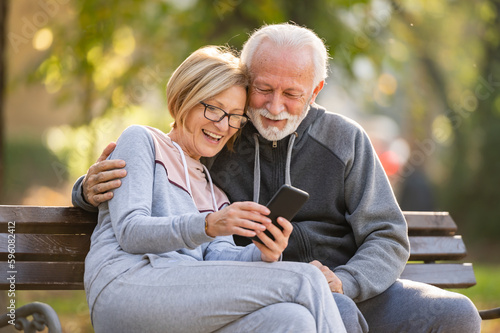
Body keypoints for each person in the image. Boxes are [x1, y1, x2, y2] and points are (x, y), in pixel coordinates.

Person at [73, 24, 481, 333]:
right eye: (263, 89)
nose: (274, 106)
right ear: (246, 83)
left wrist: (346, 280)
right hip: (251, 291)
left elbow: (388, 235)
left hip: (347, 284)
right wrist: (87, 191)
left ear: (315, 89)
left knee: (456, 313)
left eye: (292, 94)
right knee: (312, 306)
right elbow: (164, 157)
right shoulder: (222, 135)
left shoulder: (344, 140)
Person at [79, 45, 346, 333]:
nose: (224, 125)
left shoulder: (212, 188)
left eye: (234, 116)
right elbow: (131, 232)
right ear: (184, 98)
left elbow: (219, 257)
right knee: (307, 280)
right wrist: (208, 224)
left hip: (187, 304)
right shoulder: (143, 141)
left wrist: (264, 253)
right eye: (214, 109)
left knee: (293, 320)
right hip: (128, 288)